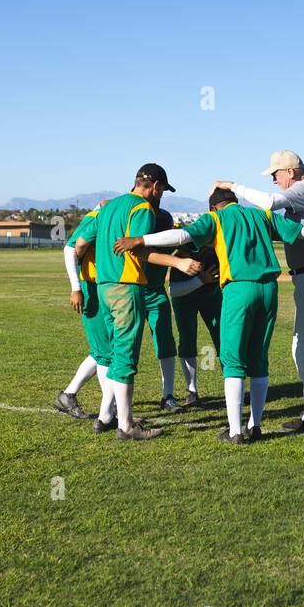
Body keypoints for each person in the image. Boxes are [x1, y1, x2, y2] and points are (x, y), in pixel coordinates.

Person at [118, 185, 304, 445]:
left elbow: (181, 237)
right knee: (258, 359)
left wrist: (142, 240)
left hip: (238, 289)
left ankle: (235, 431)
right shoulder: (262, 215)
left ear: (213, 207)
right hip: (269, 290)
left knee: (233, 359)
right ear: (235, 200)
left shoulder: (216, 218)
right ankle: (255, 425)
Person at [215, 150, 304, 431]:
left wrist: (232, 186)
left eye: (275, 174)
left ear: (290, 172)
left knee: (303, 347)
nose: (273, 180)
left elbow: (270, 203)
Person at [86, 163, 201, 441]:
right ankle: (125, 426)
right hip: (127, 288)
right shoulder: (142, 209)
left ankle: (105, 416)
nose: (161, 196)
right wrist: (178, 261)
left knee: (114, 354)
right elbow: (139, 252)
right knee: (126, 356)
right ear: (156, 186)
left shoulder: (108, 207)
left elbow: (80, 244)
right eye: (162, 190)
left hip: (104, 287)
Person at [53, 202, 118, 432]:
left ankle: (68, 395)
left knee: (102, 350)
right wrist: (76, 287)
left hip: (102, 286)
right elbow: (71, 248)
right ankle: (109, 412)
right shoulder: (97, 216)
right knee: (105, 355)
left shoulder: (109, 213)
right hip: (92, 287)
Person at [164, 208, 222, 406]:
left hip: (212, 296)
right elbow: (174, 290)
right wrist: (201, 280)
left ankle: (233, 384)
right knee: (187, 341)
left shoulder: (220, 246)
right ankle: (192, 391)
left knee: (224, 339)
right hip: (186, 299)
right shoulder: (185, 251)